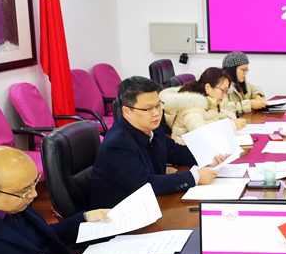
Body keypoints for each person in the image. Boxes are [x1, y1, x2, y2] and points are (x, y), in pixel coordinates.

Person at [89, 76, 225, 208]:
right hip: (119, 213)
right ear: (126, 111)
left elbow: (176, 152)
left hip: (150, 204)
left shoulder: (152, 128)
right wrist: (194, 177)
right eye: (148, 109)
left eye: (158, 105)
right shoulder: (117, 144)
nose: (157, 113)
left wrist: (209, 155)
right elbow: (146, 184)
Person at [159, 67, 246, 144]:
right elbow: (201, 134)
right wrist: (233, 126)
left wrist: (227, 115)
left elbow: (213, 116)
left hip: (202, 149)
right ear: (208, 88)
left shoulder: (209, 100)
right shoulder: (192, 106)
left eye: (226, 91)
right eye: (223, 90)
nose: (224, 95)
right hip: (187, 153)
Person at [221, 51, 266, 116]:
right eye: (243, 70)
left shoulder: (240, 82)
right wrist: (249, 104)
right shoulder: (222, 85)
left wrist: (257, 95)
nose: (245, 73)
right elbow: (224, 107)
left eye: (246, 70)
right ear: (232, 70)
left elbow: (253, 88)